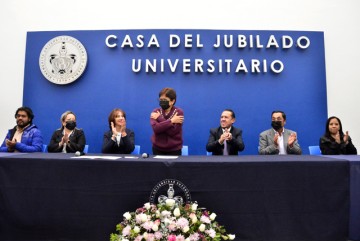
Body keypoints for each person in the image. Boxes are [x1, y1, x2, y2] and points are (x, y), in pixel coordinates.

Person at [150, 87, 184, 155]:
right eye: (160, 99)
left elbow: (173, 132)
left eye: (165, 100)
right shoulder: (155, 112)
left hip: (174, 149)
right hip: (157, 149)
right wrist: (171, 121)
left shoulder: (178, 112)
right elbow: (156, 129)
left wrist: (159, 118)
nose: (162, 101)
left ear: (172, 101)